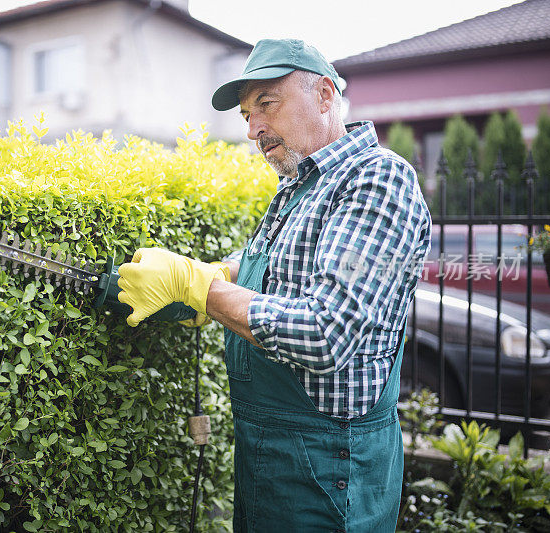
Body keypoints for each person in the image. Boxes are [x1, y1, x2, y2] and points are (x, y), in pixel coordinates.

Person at [117, 38, 432, 532]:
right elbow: (268, 270)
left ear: (326, 95)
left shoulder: (377, 180)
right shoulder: (300, 187)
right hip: (271, 453)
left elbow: (326, 332)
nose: (253, 129)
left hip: (330, 468)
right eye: (246, 114)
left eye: (267, 103)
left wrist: (201, 288)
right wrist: (209, 280)